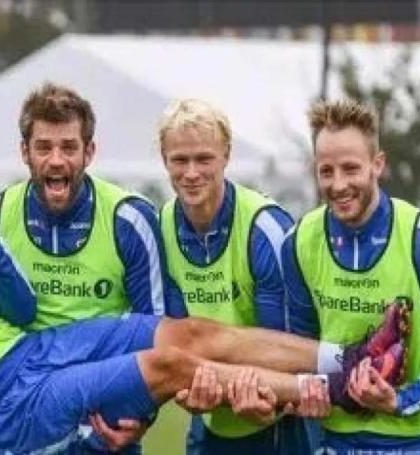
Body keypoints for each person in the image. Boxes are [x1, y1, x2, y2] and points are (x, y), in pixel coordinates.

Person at [0, 156, 409, 454]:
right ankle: (343, 390)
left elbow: (19, 308)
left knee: (186, 332)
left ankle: (348, 356)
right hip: (8, 406)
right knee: (169, 367)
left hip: (33, 348)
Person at [0, 82, 184, 451]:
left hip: (105, 428)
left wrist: (140, 419)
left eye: (69, 147)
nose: (56, 160)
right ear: (24, 152)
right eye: (43, 147)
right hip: (23, 423)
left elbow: (157, 332)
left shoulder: (129, 219)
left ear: (90, 152)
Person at [156, 98, 319, 454]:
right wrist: (189, 385)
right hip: (210, 418)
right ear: (164, 158)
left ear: (226, 155)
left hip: (279, 422)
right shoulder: (162, 226)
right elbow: (179, 344)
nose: (191, 173)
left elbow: (287, 348)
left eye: (204, 159)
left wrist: (257, 392)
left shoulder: (265, 228)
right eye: (180, 160)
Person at [282, 99, 420, 453]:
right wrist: (305, 390)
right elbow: (299, 347)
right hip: (337, 440)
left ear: (377, 165)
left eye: (351, 169)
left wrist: (400, 401)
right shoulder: (299, 242)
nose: (338, 184)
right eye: (326, 171)